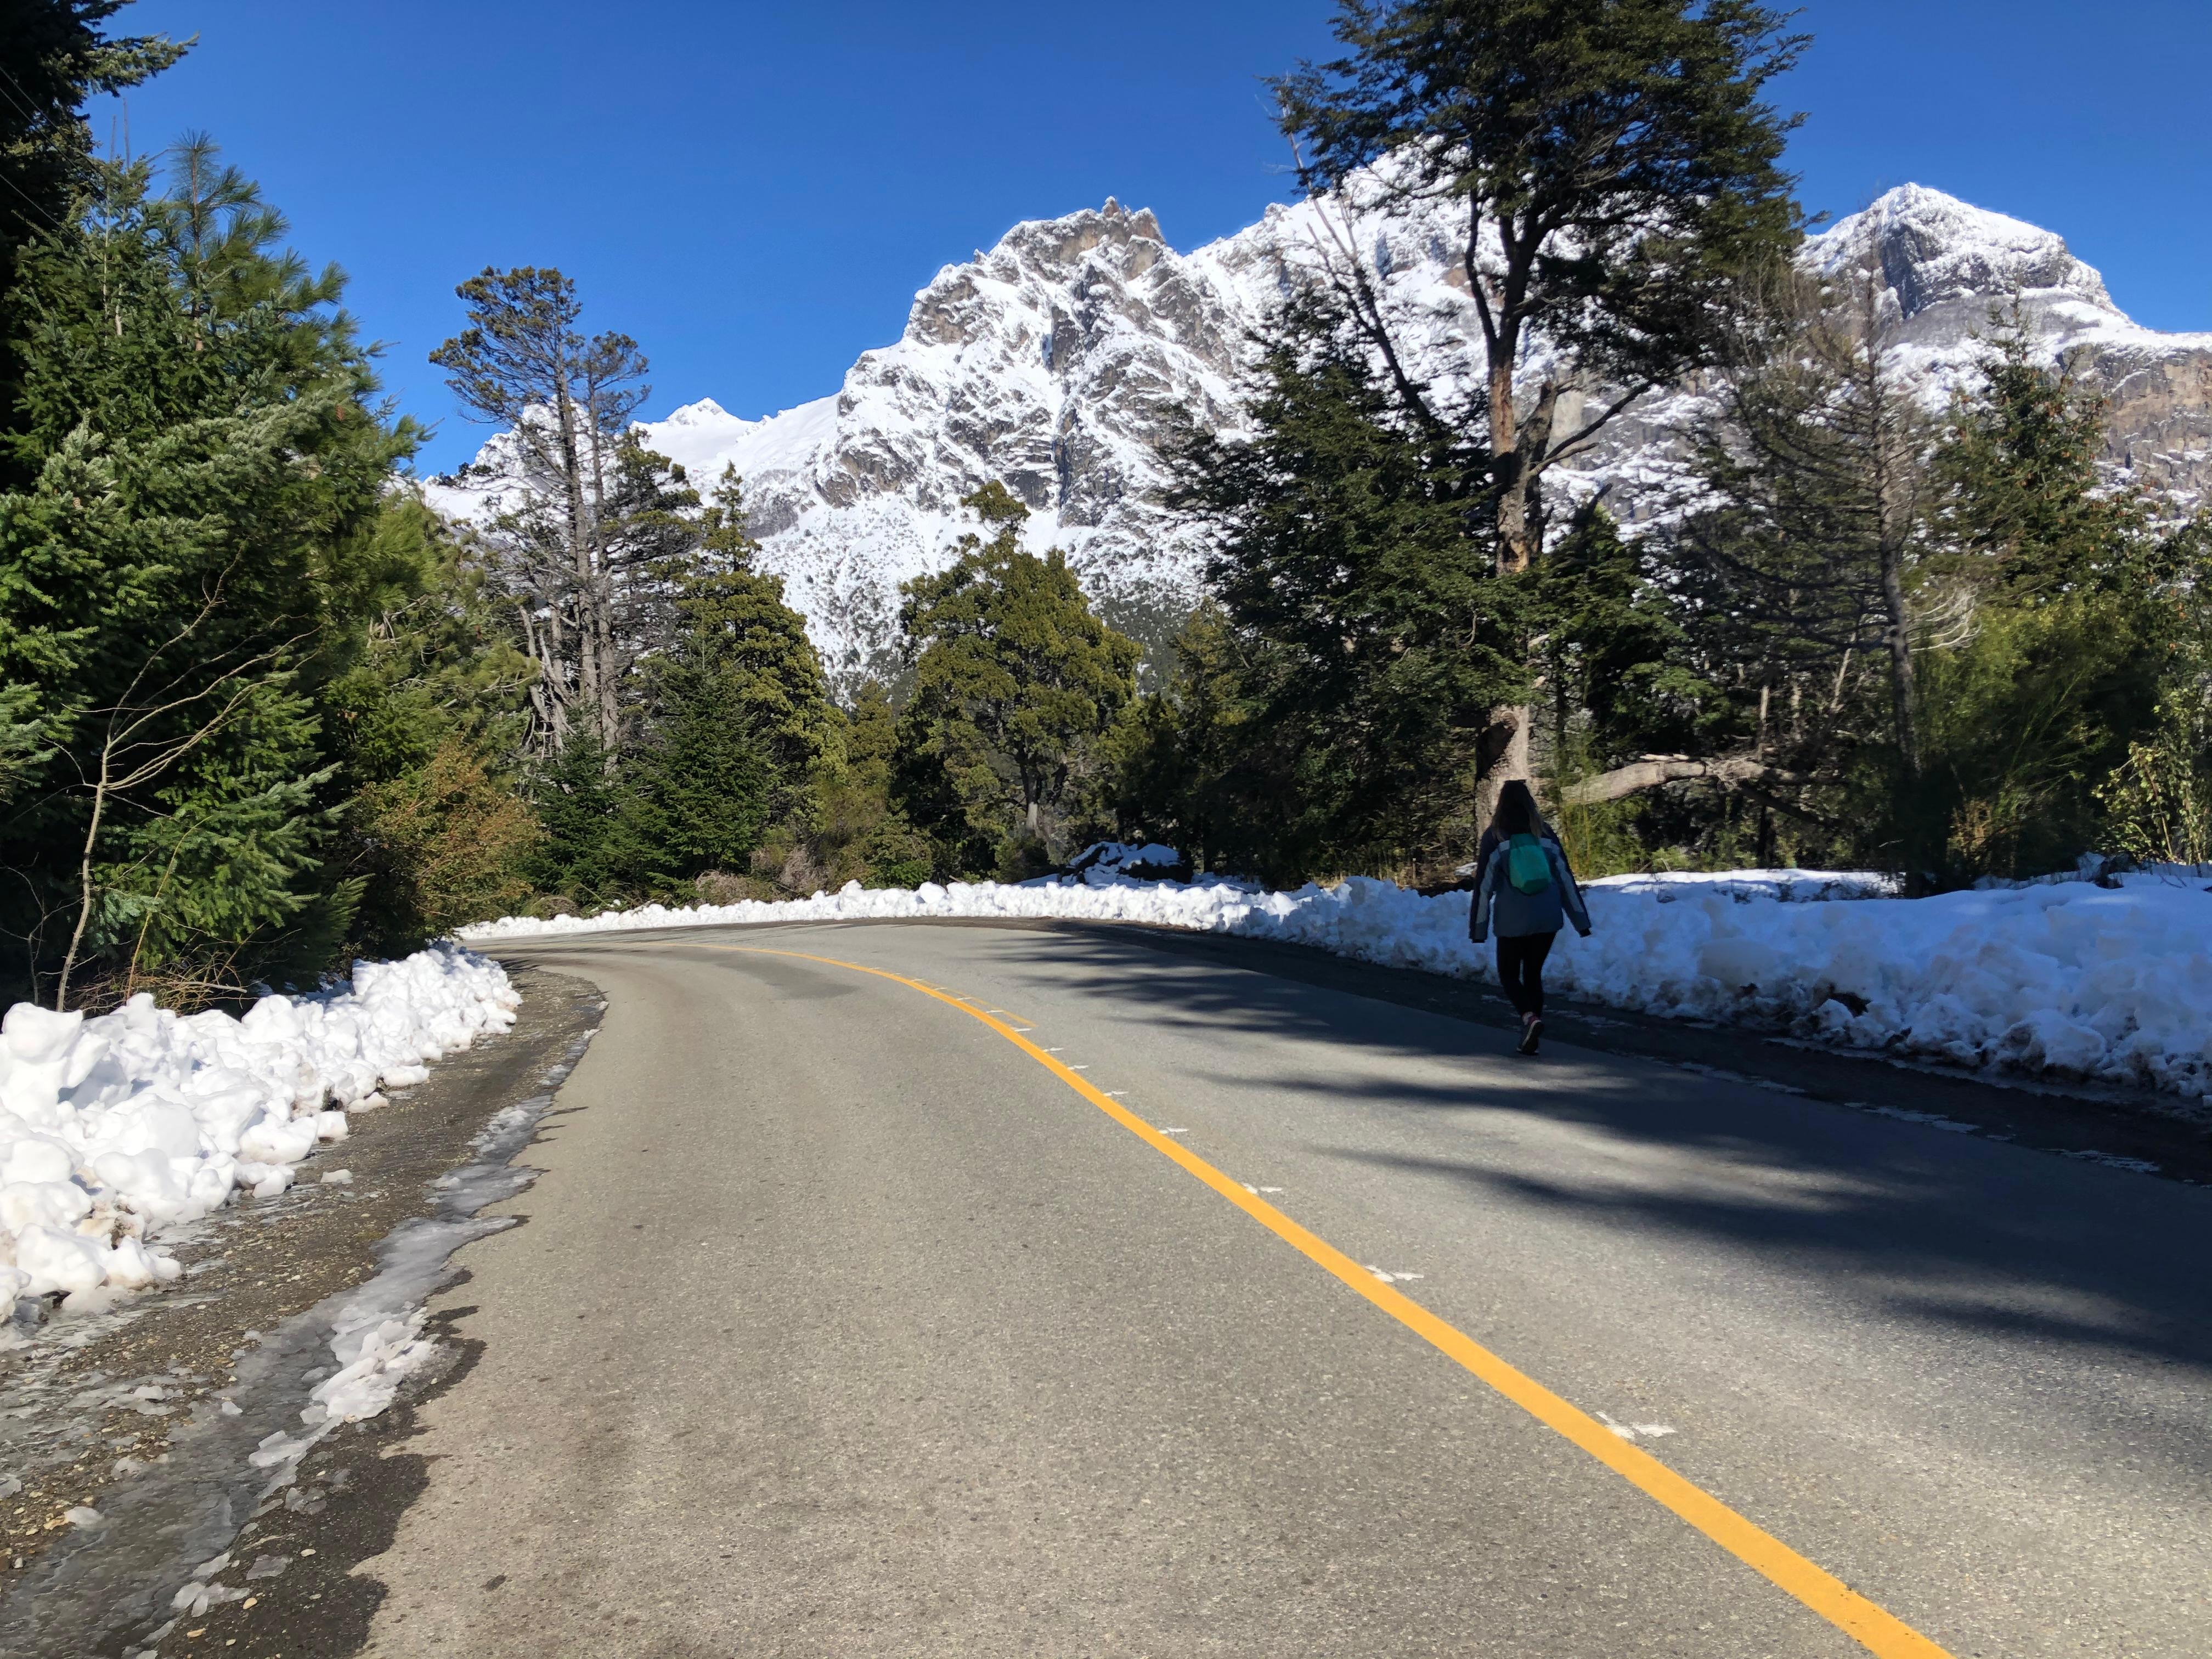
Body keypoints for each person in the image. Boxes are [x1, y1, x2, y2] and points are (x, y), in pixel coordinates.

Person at [1468, 781, 1591, 1056]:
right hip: (1548, 917)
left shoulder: (1495, 837)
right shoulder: (1545, 833)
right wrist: (1581, 922)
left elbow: (1484, 887)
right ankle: (1531, 1032)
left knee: (1509, 974)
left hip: (1513, 920)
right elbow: (1565, 880)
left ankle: (1529, 1019)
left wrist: (1478, 929)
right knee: (1533, 974)